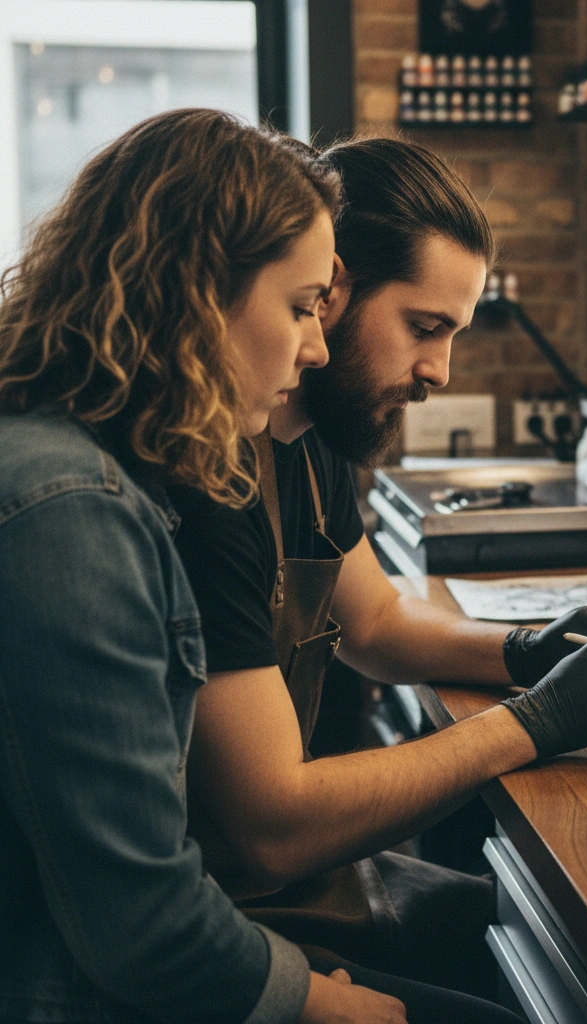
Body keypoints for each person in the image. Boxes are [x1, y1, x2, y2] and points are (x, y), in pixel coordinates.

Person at [170, 136, 587, 1010]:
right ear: (332, 290)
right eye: (424, 327)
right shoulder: (215, 479)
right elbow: (275, 829)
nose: (439, 370)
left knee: (578, 953)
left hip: (290, 883)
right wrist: (542, 716)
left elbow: (374, 625)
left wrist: (528, 648)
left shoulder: (308, 436)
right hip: (232, 913)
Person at [0, 107, 411, 1024]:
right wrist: (316, 1003)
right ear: (194, 293)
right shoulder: (69, 514)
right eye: (302, 307)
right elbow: (143, 927)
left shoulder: (78, 465)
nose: (315, 347)